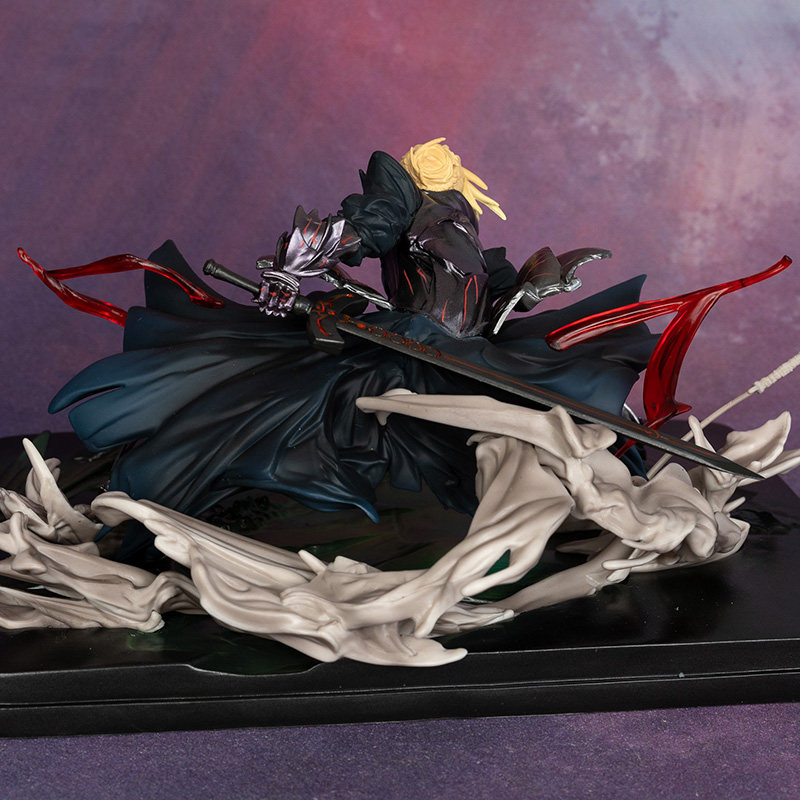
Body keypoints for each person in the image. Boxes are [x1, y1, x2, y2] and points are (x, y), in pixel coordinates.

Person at [47, 140, 656, 555]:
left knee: (570, 397)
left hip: (474, 346)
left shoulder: (460, 218)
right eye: (425, 156)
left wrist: (535, 285)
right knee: (290, 412)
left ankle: (603, 502)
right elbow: (358, 230)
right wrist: (292, 269)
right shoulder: (403, 205)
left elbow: (489, 286)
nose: (438, 156)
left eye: (446, 154)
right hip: (416, 344)